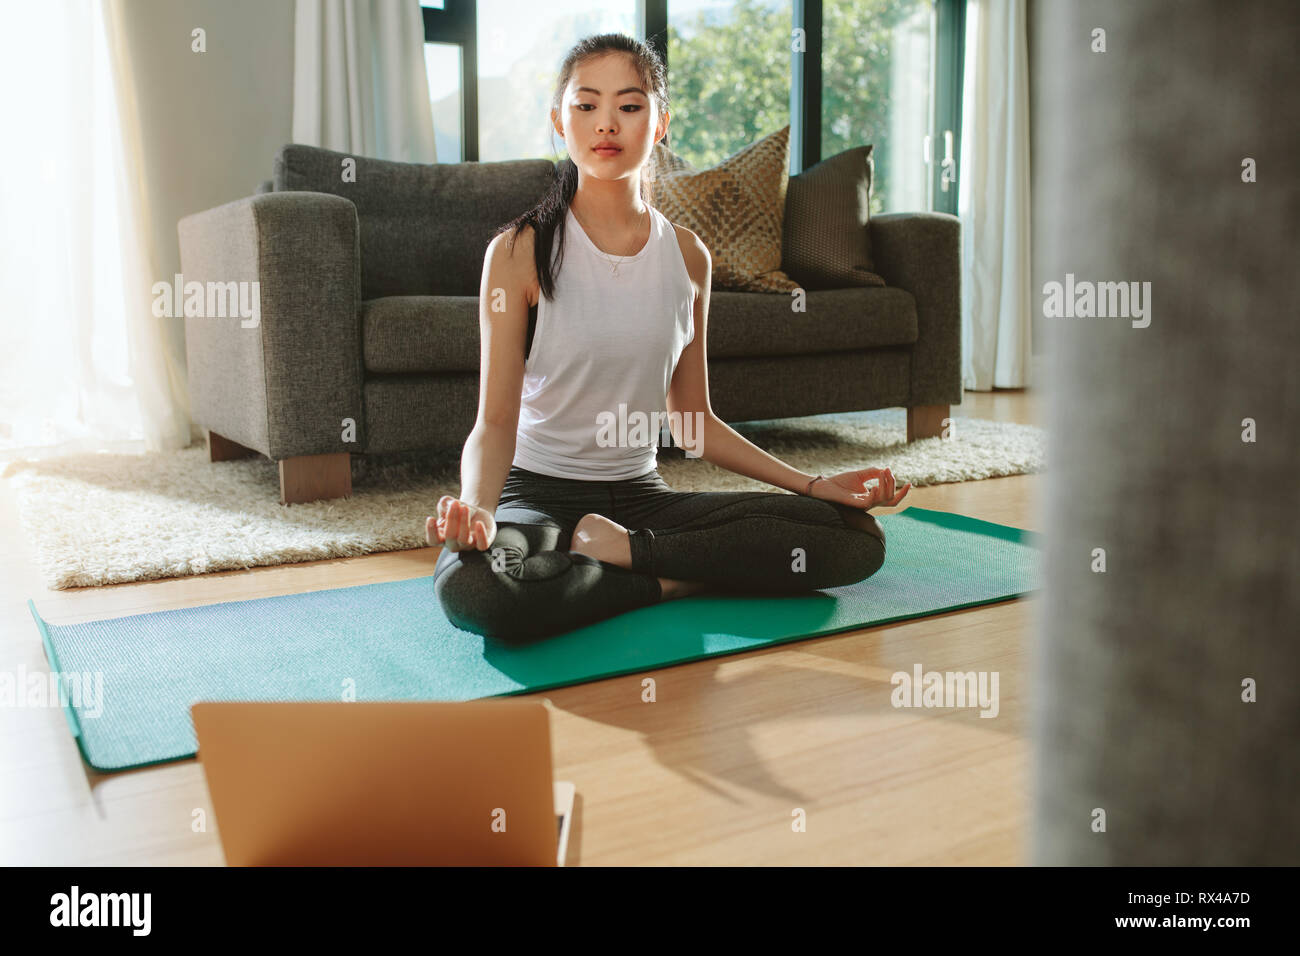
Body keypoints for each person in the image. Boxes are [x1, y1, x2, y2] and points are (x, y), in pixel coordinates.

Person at [428, 33, 910, 644]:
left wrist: (814, 484)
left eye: (630, 106)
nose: (607, 123)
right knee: (478, 589)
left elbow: (693, 423)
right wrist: (477, 506)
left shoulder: (688, 257)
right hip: (536, 494)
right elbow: (494, 423)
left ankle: (632, 554)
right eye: (586, 105)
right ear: (559, 119)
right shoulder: (519, 251)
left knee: (855, 538)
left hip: (640, 501)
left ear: (659, 124)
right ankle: (676, 577)